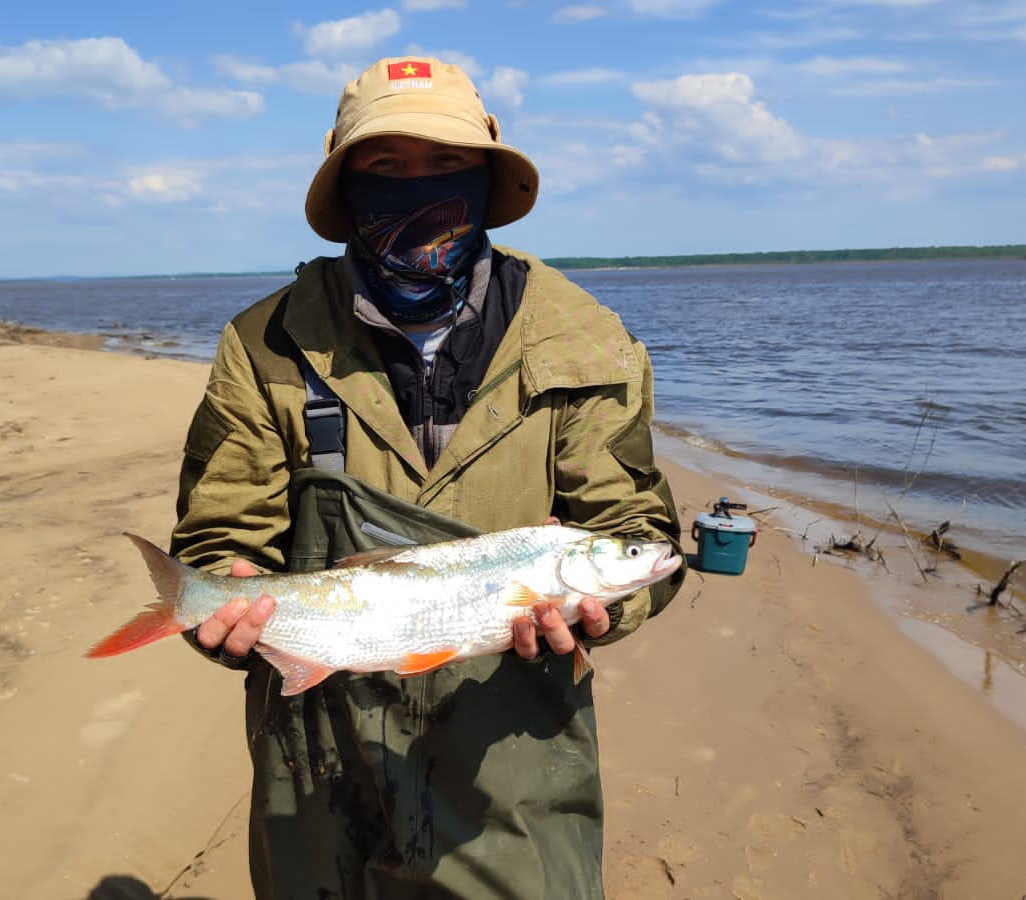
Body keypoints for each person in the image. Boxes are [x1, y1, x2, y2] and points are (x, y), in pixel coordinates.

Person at [168, 56, 683, 899]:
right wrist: (220, 601)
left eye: (446, 164)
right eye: (385, 166)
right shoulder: (266, 345)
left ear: (485, 176)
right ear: (346, 188)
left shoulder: (584, 336)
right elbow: (219, 534)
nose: (419, 188)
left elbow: (641, 533)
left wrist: (603, 609)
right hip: (317, 765)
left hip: (513, 762)